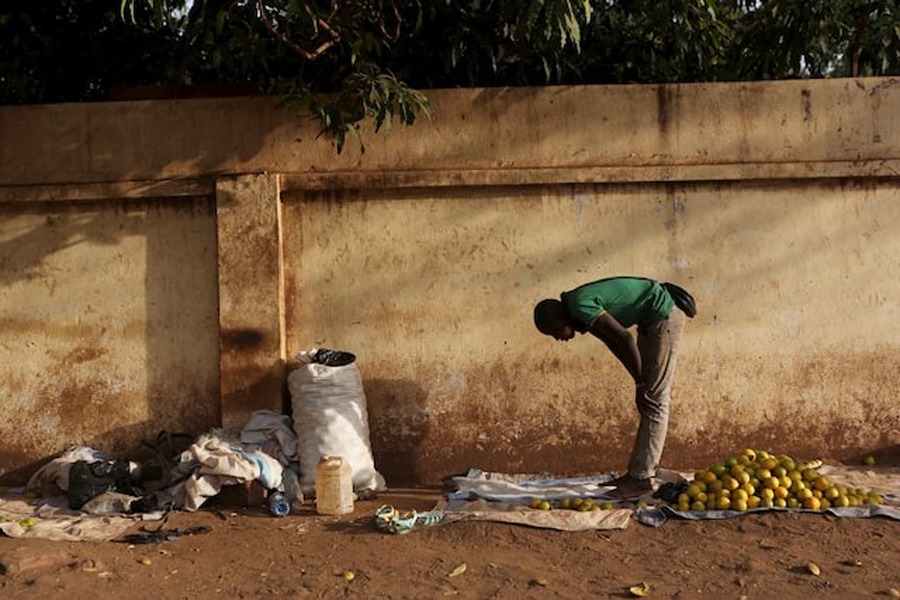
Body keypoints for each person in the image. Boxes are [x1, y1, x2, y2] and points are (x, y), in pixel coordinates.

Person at [533, 276, 691, 498]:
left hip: (663, 315)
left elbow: (625, 338)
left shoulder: (579, 305)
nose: (557, 338)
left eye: (554, 331)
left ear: (559, 318)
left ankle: (642, 479)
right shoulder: (579, 311)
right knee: (648, 399)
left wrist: (641, 382)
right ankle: (637, 474)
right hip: (651, 319)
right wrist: (638, 382)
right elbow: (614, 342)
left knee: (655, 402)